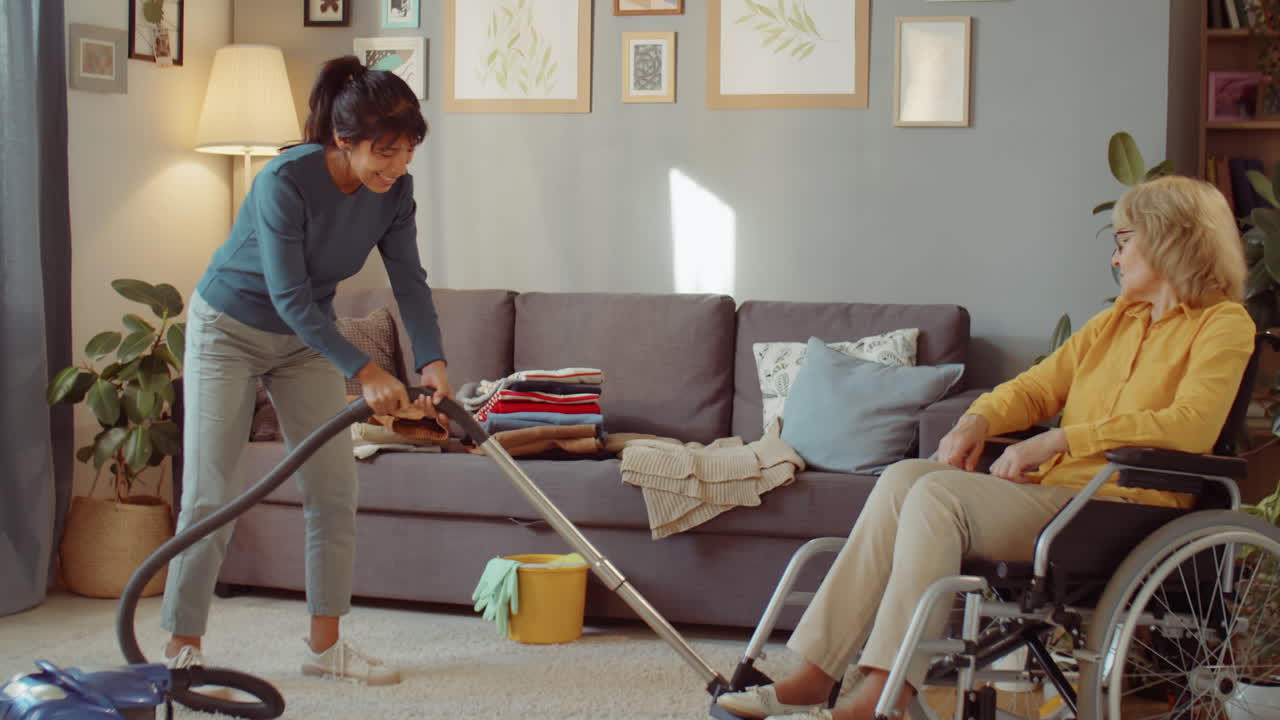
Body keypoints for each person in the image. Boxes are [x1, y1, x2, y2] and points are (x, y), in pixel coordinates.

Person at [715, 175, 1255, 720]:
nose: (1116, 259)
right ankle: (816, 674)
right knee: (906, 477)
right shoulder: (1115, 322)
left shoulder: (1224, 325)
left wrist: (1062, 438)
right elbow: (1037, 386)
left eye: (1124, 240)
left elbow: (1188, 426)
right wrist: (978, 419)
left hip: (1128, 509)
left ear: (1167, 238)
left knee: (939, 497)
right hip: (1064, 501)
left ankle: (885, 695)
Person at [160, 55, 451, 686]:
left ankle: (324, 651)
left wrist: (432, 359)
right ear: (344, 141)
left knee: (332, 492)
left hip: (303, 342)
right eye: (386, 151)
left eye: (407, 153)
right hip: (229, 330)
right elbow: (288, 296)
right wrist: (366, 370)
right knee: (211, 493)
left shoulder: (393, 193)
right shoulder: (283, 181)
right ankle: (182, 650)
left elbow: (410, 282)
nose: (398, 166)